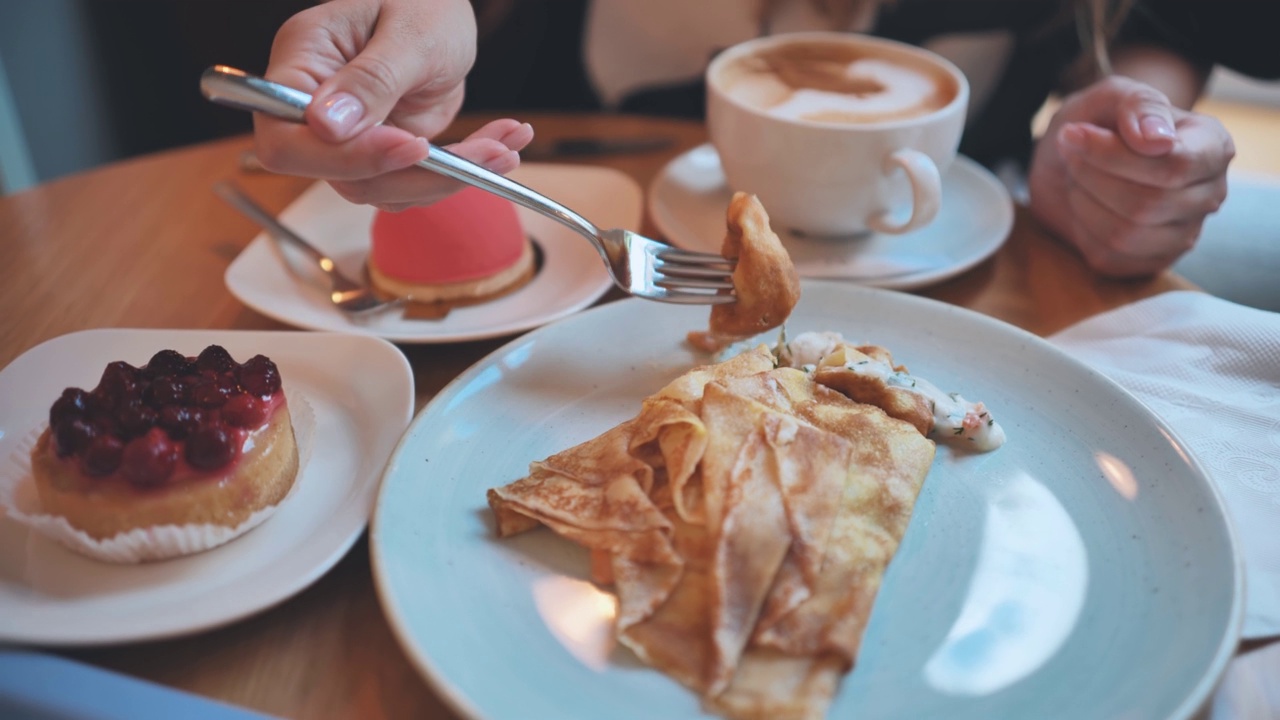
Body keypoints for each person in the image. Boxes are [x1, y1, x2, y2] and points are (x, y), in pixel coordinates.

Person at [253, 0, 1279, 278]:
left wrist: (1123, 140)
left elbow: (1173, 20)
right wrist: (403, 26)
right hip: (575, 230)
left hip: (999, 265)